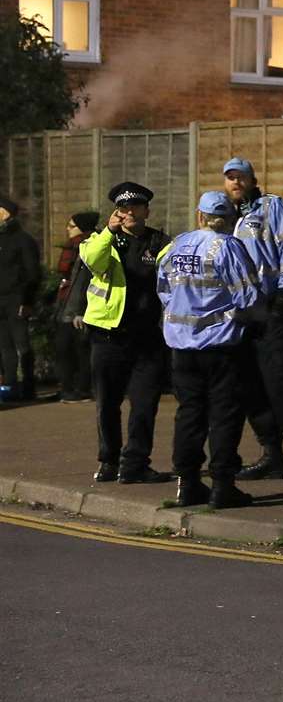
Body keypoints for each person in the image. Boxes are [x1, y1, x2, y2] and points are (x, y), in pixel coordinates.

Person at [158, 192, 264, 510]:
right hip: (221, 348)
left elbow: (163, 290)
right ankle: (222, 485)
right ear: (229, 219)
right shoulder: (228, 246)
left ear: (199, 215)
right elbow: (248, 297)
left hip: (181, 347)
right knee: (223, 416)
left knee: (189, 414)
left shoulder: (177, 245)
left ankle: (187, 484)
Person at [223, 157, 283, 486]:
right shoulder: (228, 216)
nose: (235, 183)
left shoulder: (272, 207)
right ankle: (272, 453)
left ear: (253, 180)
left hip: (270, 306)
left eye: (241, 177)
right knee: (250, 386)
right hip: (239, 313)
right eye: (230, 178)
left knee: (279, 381)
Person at [80, 183, 172, 484]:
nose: (129, 212)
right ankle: (108, 461)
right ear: (115, 212)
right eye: (123, 208)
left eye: (135, 207)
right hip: (108, 336)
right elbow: (92, 260)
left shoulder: (159, 242)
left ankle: (135, 463)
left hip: (146, 337)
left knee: (145, 404)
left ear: (147, 210)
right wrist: (108, 231)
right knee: (107, 403)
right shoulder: (103, 239)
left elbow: (174, 270)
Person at [51, 211, 98, 403]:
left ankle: (79, 390)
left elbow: (84, 282)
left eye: (71, 226)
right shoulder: (72, 248)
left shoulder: (85, 247)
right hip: (67, 306)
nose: (67, 230)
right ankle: (69, 388)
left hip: (76, 309)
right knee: (67, 349)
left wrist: (80, 310)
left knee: (77, 350)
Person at [0, 195, 42, 401]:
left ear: (5, 213)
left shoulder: (23, 240)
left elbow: (33, 273)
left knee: (22, 345)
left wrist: (27, 300)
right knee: (5, 346)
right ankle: (9, 386)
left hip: (16, 299)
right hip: (1, 301)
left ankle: (28, 386)